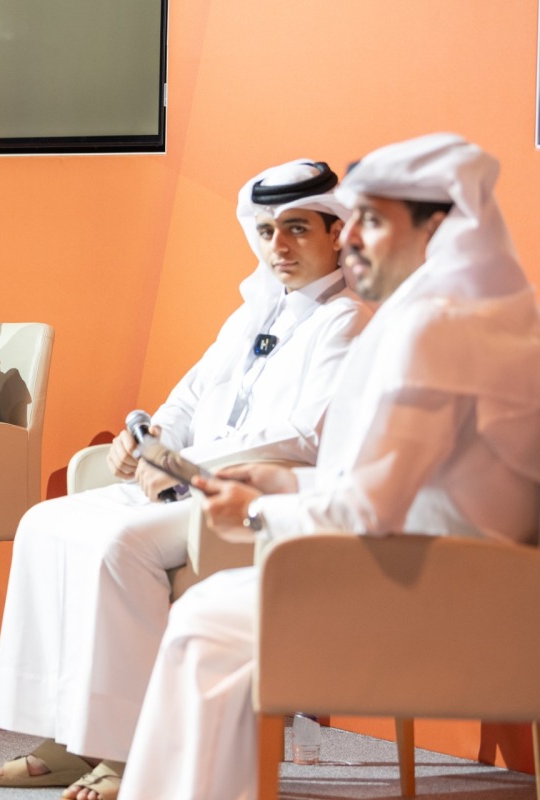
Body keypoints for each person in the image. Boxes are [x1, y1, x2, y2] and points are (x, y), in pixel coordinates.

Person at [117, 133, 540, 800]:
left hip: (432, 598)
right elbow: (408, 487)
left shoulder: (431, 330)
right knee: (210, 613)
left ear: (435, 229)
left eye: (371, 221)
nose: (350, 240)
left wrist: (258, 510)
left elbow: (373, 509)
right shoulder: (481, 314)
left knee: (203, 621)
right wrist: (283, 479)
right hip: (480, 589)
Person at [0, 161, 372, 800]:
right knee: (44, 522)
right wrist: (147, 437)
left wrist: (181, 464)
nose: (278, 245)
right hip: (184, 483)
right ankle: (67, 736)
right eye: (268, 230)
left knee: (121, 546)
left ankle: (131, 752)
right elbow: (187, 399)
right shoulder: (251, 314)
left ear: (337, 233)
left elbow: (305, 435)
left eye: (298, 229)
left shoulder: (346, 318)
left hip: (259, 498)